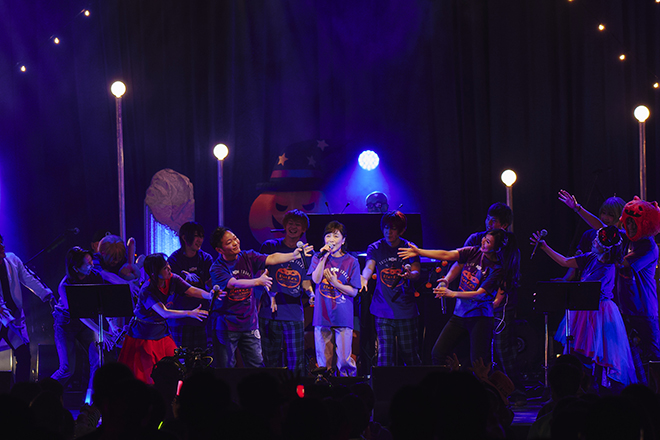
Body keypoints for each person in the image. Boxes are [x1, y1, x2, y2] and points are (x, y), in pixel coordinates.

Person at [559, 190, 660, 384]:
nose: (630, 226)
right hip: (625, 309)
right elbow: (602, 228)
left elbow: (621, 262)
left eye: (634, 223)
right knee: (628, 360)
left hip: (643, 311)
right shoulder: (628, 238)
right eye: (628, 222)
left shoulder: (648, 247)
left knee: (654, 357)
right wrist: (577, 208)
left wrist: (603, 251)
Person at [530, 226, 637, 388]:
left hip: (600, 311)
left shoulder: (608, 268)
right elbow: (565, 262)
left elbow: (589, 289)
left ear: (605, 248)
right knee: (579, 350)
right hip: (584, 309)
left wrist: (568, 285)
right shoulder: (590, 257)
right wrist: (545, 247)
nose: (593, 241)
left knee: (599, 350)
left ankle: (596, 386)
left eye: (597, 241)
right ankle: (582, 384)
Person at [399, 229, 513, 366]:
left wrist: (452, 293)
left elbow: (480, 294)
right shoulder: (473, 252)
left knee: (479, 363)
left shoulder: (497, 269)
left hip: (480, 318)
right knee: (438, 353)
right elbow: (447, 255)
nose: (483, 242)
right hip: (460, 315)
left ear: (496, 248)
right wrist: (420, 252)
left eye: (488, 242)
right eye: (484, 238)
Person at [445, 203, 524, 401]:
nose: (489, 223)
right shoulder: (475, 239)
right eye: (488, 218)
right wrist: (447, 281)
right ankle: (479, 389)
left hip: (499, 305)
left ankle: (514, 389)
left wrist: (497, 299)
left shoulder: (508, 245)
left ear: (504, 225)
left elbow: (508, 276)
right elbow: (460, 262)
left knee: (502, 347)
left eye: (494, 220)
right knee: (477, 350)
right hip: (473, 305)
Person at [209, 227, 312, 368]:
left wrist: (293, 255)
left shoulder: (247, 256)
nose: (235, 243)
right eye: (229, 242)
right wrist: (257, 281)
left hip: (249, 324)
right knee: (226, 367)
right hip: (227, 325)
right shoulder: (217, 268)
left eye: (235, 238)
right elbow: (233, 283)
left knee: (257, 366)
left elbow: (272, 258)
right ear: (219, 250)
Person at [118, 253, 212, 384]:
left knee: (173, 366)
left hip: (161, 333)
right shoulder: (147, 290)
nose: (169, 268)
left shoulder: (172, 279)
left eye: (167, 265)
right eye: (164, 267)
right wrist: (189, 313)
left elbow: (190, 290)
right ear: (154, 273)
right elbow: (164, 312)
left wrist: (209, 295)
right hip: (143, 336)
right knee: (147, 375)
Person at [360, 211, 421, 366]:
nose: (389, 232)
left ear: (401, 230)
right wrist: (364, 278)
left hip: (405, 310)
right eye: (386, 228)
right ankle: (383, 383)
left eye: (393, 229)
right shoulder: (375, 247)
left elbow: (416, 272)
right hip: (382, 310)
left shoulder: (409, 248)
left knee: (410, 355)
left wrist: (410, 274)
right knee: (385, 358)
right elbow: (369, 267)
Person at [258, 210, 313, 375]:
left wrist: (311, 294)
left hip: (293, 314)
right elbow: (260, 274)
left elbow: (305, 280)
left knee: (296, 363)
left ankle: (296, 390)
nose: (293, 227)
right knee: (270, 361)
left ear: (304, 229)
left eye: (298, 225)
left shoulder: (307, 253)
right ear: (284, 225)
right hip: (269, 312)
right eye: (290, 223)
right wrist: (270, 294)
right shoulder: (270, 246)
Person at [51, 247, 108, 391]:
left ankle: (91, 400)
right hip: (66, 324)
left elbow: (102, 303)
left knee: (98, 360)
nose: (92, 265)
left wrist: (112, 326)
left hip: (86, 324)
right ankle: (44, 393)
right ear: (76, 268)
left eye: (91, 261)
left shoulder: (95, 276)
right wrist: (101, 331)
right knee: (66, 369)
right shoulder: (65, 286)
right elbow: (79, 314)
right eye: (87, 264)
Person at [309, 221, 361, 376]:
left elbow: (354, 291)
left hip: (343, 315)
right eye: (328, 235)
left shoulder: (352, 261)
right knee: (324, 362)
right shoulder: (318, 257)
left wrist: (335, 283)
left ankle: (348, 385)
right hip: (322, 315)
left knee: (344, 360)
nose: (331, 239)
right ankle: (325, 386)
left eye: (336, 236)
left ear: (343, 240)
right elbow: (316, 279)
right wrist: (323, 257)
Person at [0, 233, 53, 383]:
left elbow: (28, 278)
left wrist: (46, 294)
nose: (2, 246)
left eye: (1, 242)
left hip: (14, 317)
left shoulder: (12, 259)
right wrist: (8, 320)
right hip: (5, 318)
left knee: (24, 355)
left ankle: (20, 393)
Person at [167, 222, 213, 350]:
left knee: (201, 355)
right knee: (180, 355)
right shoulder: (174, 260)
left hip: (201, 315)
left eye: (201, 236)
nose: (200, 240)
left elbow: (210, 282)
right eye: (196, 236)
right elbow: (176, 288)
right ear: (184, 237)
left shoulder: (206, 258)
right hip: (181, 315)